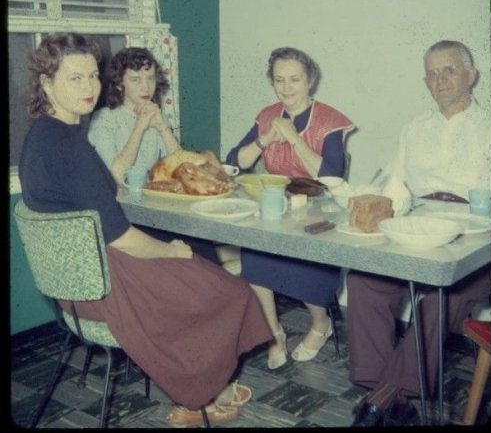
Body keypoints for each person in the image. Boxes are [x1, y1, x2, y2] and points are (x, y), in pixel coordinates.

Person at [19, 33, 272, 428]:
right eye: (74, 78)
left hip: (74, 285)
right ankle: (196, 398)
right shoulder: (69, 147)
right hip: (104, 285)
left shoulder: (44, 135)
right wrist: (170, 251)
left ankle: (207, 386)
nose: (89, 87)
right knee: (227, 289)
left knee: (199, 273)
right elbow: (121, 237)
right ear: (47, 83)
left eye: (92, 76)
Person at [348, 40, 491, 427]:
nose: (439, 79)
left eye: (449, 70)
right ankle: (387, 395)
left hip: (473, 236)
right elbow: (395, 186)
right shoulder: (414, 129)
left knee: (442, 295)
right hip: (418, 228)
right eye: (432, 72)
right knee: (364, 280)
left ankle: (382, 399)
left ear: (470, 75)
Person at [226, 47, 354, 369]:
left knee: (309, 257)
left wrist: (295, 140)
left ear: (310, 80)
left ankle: (320, 325)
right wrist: (266, 138)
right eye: (279, 80)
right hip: (275, 204)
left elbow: (332, 175)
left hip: (318, 207)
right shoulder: (267, 114)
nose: (286, 87)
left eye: (294, 79)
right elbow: (234, 163)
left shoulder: (330, 120)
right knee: (254, 250)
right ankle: (274, 333)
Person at [87, 47, 219, 263]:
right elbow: (118, 177)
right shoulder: (104, 120)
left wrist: (162, 128)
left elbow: (185, 168)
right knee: (189, 257)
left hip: (153, 211)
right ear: (120, 83)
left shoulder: (154, 113)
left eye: (150, 78)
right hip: (124, 220)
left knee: (203, 243)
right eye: (136, 79)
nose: (145, 86)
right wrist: (140, 127)